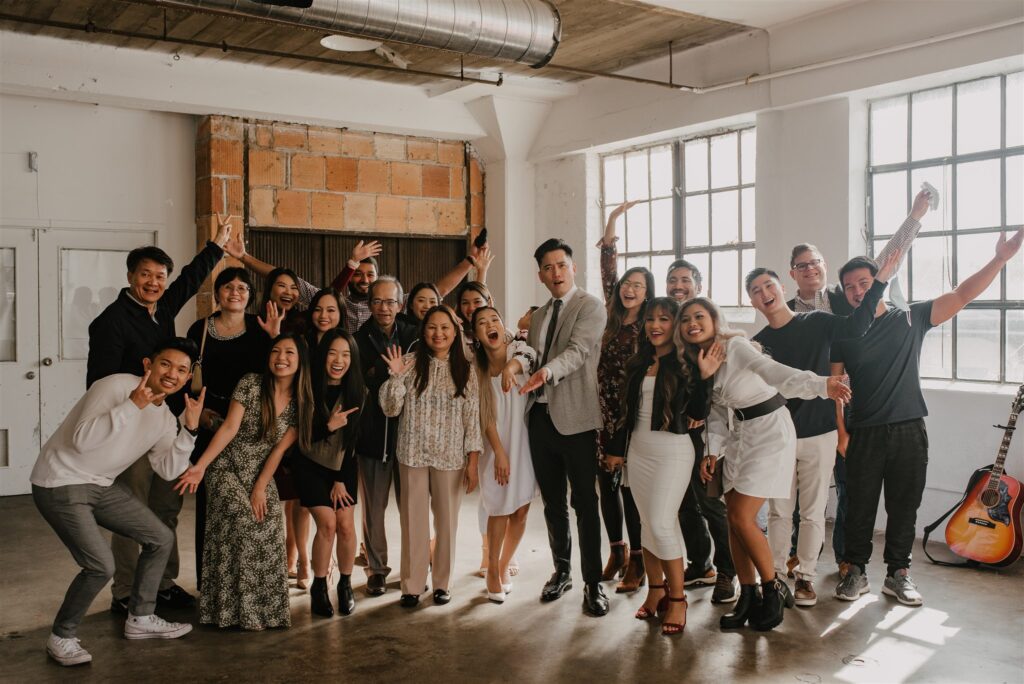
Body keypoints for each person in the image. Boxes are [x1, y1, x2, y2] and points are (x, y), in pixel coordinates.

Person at [831, 228, 1023, 607]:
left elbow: (962, 295)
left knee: (904, 506)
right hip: (862, 432)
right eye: (849, 286)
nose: (856, 291)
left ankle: (898, 574)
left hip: (909, 430)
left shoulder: (911, 318)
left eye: (863, 283)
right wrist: (841, 433)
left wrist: (1000, 259)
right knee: (858, 507)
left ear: (877, 284)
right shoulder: (845, 333)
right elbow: (835, 387)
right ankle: (855, 571)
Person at [88, 214, 235, 615]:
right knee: (129, 510)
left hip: (166, 426)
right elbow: (99, 385)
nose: (154, 282)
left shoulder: (160, 309)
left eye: (159, 276)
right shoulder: (110, 323)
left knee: (166, 508)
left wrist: (217, 246)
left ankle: (163, 584)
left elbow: (190, 280)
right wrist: (133, 407)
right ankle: (124, 592)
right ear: (131, 276)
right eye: (146, 275)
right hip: (131, 431)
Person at [680, 298, 851, 632]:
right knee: (733, 520)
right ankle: (748, 596)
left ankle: (772, 588)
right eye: (685, 319)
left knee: (742, 517)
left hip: (770, 431)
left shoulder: (736, 345)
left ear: (716, 319)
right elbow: (715, 412)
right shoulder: (698, 359)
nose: (692, 323)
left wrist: (820, 384)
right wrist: (711, 451)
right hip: (738, 435)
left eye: (700, 316)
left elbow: (773, 373)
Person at [786, 189, 934, 577]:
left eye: (815, 261)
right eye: (801, 265)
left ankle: (847, 562)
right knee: (805, 496)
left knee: (852, 491)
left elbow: (885, 264)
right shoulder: (785, 315)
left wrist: (914, 216)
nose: (810, 268)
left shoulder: (846, 298)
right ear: (793, 273)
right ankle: (799, 564)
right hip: (807, 413)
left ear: (824, 265)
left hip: (851, 411)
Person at [32, 338, 204, 666]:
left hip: (100, 486)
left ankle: (140, 617)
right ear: (147, 365)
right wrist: (132, 405)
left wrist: (190, 431)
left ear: (186, 380)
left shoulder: (166, 417)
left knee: (160, 537)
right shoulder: (113, 387)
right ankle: (61, 636)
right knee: (100, 565)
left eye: (182, 370)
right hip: (61, 481)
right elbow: (83, 441)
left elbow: (168, 468)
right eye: (166, 364)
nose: (173, 374)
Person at [747, 251, 897, 607]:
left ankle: (806, 577)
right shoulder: (759, 343)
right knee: (781, 512)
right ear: (750, 300)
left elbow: (858, 324)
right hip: (779, 435)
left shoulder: (815, 321)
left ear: (781, 287)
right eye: (756, 290)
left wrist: (878, 284)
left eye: (768, 285)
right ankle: (778, 576)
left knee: (813, 511)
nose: (764, 292)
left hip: (821, 432)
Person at [175, 333, 314, 630]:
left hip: (260, 470)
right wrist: (200, 466)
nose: (281, 358)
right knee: (245, 520)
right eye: (275, 351)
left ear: (301, 360)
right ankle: (230, 610)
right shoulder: (251, 383)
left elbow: (278, 449)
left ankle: (266, 611)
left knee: (271, 522)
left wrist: (261, 486)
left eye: (289, 352)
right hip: (226, 464)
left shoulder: (302, 401)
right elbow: (228, 428)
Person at [605, 297, 717, 636]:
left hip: (673, 452)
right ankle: (656, 590)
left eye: (664, 319)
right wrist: (616, 450)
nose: (655, 325)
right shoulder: (638, 362)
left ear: (676, 324)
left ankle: (678, 598)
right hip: (638, 451)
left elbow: (698, 412)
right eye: (650, 319)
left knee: (661, 523)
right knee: (645, 526)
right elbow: (625, 413)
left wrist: (706, 377)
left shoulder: (686, 361)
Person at [518, 238, 609, 616]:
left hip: (577, 420)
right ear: (540, 274)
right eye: (548, 267)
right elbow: (529, 352)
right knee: (553, 502)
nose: (555, 273)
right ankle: (563, 571)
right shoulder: (538, 316)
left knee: (585, 503)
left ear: (573, 268)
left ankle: (593, 583)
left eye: (561, 265)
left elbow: (579, 350)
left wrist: (546, 371)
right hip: (539, 418)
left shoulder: (591, 307)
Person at [380, 305, 482, 607]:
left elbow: (471, 417)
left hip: (450, 456)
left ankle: (442, 583)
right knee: (413, 521)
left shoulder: (467, 369)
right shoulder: (409, 363)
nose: (438, 333)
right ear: (423, 333)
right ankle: (411, 585)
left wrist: (472, 460)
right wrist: (395, 377)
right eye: (432, 328)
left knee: (447, 522)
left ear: (455, 332)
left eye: (445, 328)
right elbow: (390, 408)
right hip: (412, 453)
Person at [185, 267, 281, 589]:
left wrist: (275, 337)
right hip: (210, 424)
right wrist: (200, 417)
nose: (236, 292)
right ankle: (211, 584)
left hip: (251, 431)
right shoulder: (199, 329)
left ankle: (248, 583)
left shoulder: (259, 327)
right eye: (229, 287)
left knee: (250, 506)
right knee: (211, 506)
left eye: (243, 288)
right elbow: (186, 377)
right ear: (218, 293)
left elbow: (279, 370)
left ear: (251, 295)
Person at [665, 259, 737, 602]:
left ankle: (727, 571)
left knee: (711, 504)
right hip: (674, 433)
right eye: (672, 280)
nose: (678, 286)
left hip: (709, 433)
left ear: (699, 285)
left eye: (685, 280)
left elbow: (722, 398)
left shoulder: (712, 334)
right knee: (683, 504)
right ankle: (701, 564)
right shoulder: (672, 332)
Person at [595, 200, 651, 592]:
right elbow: (608, 265)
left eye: (639, 286)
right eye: (627, 284)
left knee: (630, 490)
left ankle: (638, 559)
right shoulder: (611, 318)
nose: (629, 290)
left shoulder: (651, 325)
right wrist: (613, 220)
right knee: (605, 486)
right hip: (599, 412)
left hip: (631, 415)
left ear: (648, 294)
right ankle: (615, 549)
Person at [354, 276, 419, 596]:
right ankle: (377, 569)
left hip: (410, 434)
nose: (384, 308)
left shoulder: (413, 334)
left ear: (401, 304)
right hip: (372, 434)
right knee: (373, 509)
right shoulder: (358, 338)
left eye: (390, 302)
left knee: (412, 506)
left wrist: (382, 373)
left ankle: (415, 565)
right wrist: (392, 372)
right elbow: (360, 381)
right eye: (377, 302)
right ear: (369, 305)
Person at [471, 306, 539, 602]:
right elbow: (484, 416)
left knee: (522, 509)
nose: (490, 325)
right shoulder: (476, 369)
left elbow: (531, 358)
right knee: (498, 507)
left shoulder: (519, 350)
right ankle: (491, 569)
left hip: (524, 442)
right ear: (476, 334)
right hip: (495, 444)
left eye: (495, 319)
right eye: (482, 323)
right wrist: (498, 452)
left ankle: (501, 564)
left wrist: (511, 369)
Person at [296, 329, 365, 617]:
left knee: (346, 525)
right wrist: (328, 426)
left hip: (342, 467)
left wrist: (339, 479)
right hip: (309, 464)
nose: (339, 360)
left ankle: (345, 585)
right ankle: (319, 586)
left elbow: (353, 443)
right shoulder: (307, 387)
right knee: (327, 523)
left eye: (346, 354)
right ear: (323, 355)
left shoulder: (358, 392)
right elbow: (298, 437)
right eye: (333, 353)